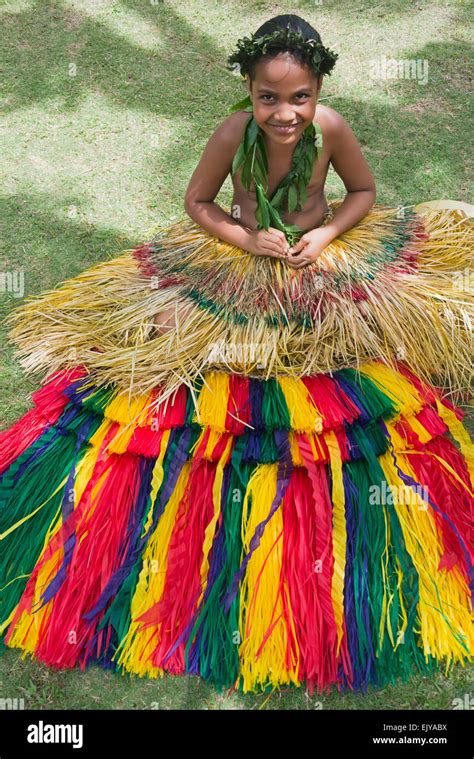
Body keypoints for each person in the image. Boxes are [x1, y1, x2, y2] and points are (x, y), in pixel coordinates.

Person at [0, 14, 472, 697]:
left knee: (357, 395)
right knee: (166, 394)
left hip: (321, 266)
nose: (285, 113)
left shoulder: (331, 129)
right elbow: (197, 201)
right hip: (237, 265)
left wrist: (326, 233)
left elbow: (362, 194)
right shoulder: (231, 135)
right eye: (268, 98)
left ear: (318, 90)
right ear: (248, 92)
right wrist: (247, 241)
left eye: (299, 97)